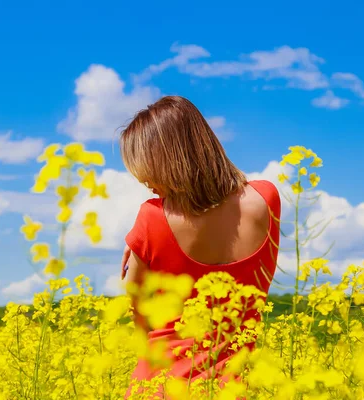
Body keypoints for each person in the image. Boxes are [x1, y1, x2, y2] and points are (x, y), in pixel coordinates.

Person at [118, 96, 281, 398]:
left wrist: (140, 247)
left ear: (172, 161)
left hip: (159, 385)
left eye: (148, 170)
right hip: (232, 389)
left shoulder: (152, 218)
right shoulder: (266, 199)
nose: (145, 181)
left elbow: (139, 312)